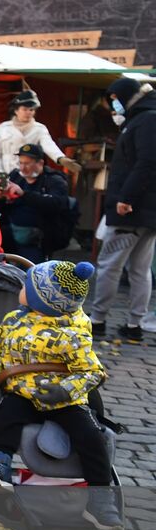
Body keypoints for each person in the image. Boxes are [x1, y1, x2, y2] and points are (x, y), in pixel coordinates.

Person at [0, 260, 119, 529]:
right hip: (22, 391)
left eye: (27, 286)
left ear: (43, 299)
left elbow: (92, 372)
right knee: (6, 417)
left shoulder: (73, 332)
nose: (21, 290)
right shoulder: (13, 321)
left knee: (91, 436)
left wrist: (65, 389)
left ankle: (100, 498)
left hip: (62, 397)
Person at [88, 76, 156, 340]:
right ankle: (133, 325)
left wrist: (125, 198)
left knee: (109, 264)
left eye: (115, 100)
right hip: (144, 211)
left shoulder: (146, 120)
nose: (113, 106)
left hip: (131, 210)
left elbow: (146, 163)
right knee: (139, 269)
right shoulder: (144, 118)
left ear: (127, 96)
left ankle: (97, 319)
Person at [0, 143, 75, 263]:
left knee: (32, 274)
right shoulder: (15, 176)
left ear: (40, 163)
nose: (22, 167)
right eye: (21, 163)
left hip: (38, 239)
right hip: (10, 235)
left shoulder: (54, 180)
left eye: (27, 163)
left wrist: (24, 194)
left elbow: (56, 204)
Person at [0, 88, 77, 194]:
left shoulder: (39, 128)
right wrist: (0, 173)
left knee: (26, 202)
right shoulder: (3, 128)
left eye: (31, 110)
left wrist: (60, 158)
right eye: (25, 109)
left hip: (29, 176)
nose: (28, 113)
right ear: (16, 110)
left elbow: (48, 145)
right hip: (5, 173)